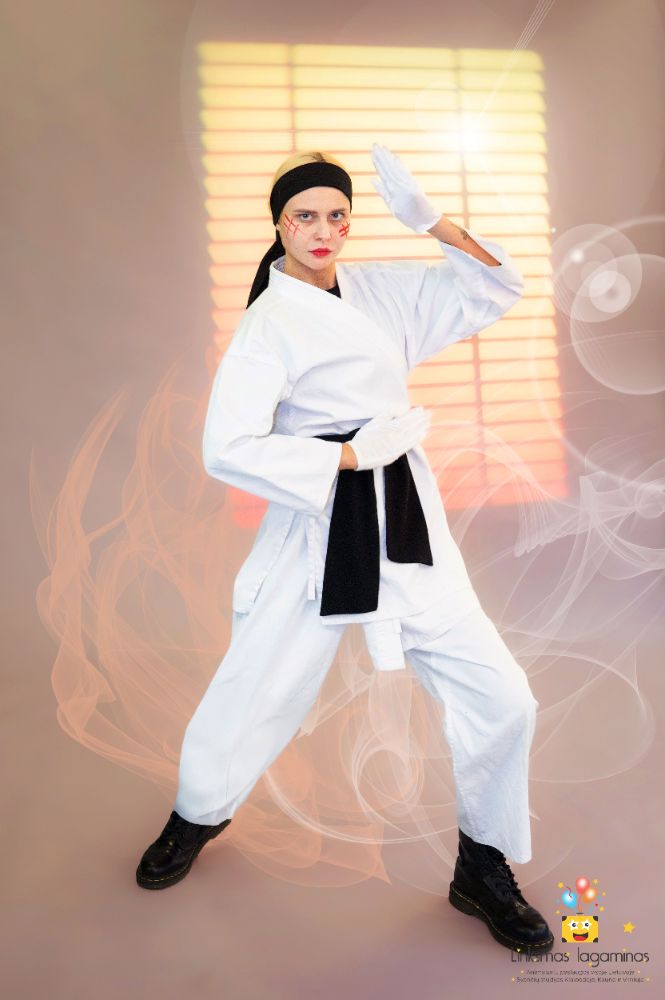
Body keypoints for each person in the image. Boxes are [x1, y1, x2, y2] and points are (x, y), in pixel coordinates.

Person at [135, 144, 553, 955]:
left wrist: (433, 224)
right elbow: (227, 446)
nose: (321, 230)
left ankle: (481, 865)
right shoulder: (269, 323)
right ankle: (195, 814)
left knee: (502, 695)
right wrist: (352, 456)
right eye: (304, 216)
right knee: (256, 685)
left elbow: (493, 288)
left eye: (335, 215)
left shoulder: (377, 290)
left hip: (405, 518)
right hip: (319, 519)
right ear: (278, 225)